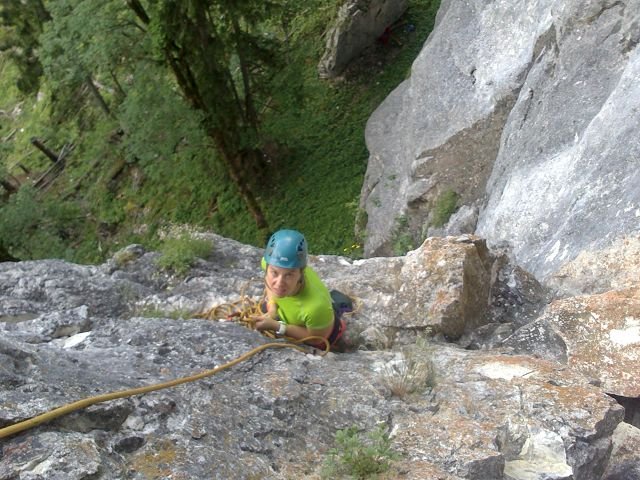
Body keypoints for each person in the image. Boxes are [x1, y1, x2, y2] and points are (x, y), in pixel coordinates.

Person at [253, 229, 348, 350]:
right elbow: (269, 281)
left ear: (301, 273)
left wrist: (277, 326)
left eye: (289, 275)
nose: (279, 283)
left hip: (319, 334)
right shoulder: (269, 263)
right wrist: (272, 308)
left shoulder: (316, 307)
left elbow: (316, 339)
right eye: (274, 273)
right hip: (290, 317)